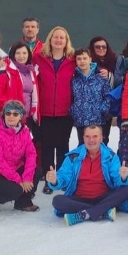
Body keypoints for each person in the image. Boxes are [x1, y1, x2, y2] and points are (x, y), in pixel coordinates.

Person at [46, 124, 128, 225]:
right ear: (83, 138)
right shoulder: (74, 156)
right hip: (79, 199)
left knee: (126, 190)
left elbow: (117, 179)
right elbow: (63, 176)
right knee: (57, 200)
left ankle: (84, 214)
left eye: (95, 136)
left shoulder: (110, 156)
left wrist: (123, 177)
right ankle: (102, 212)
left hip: (103, 197)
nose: (91, 140)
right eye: (88, 136)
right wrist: (55, 180)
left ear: (101, 138)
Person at [32, 26, 77, 190]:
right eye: (55, 37)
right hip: (45, 111)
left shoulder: (73, 60)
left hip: (65, 111)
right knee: (47, 146)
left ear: (66, 41)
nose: (58, 40)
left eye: (62, 38)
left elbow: (88, 67)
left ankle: (62, 179)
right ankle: (49, 180)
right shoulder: (38, 58)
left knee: (63, 145)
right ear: (50, 39)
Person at [0, 100, 39, 214]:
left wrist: (27, 177)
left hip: (13, 168)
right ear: (3, 115)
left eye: (15, 114)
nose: (11, 116)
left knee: (36, 171)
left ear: (21, 116)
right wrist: (18, 180)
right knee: (16, 190)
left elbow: (31, 154)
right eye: (8, 113)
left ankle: (23, 202)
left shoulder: (25, 132)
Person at [70, 47, 113, 145]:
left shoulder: (100, 78)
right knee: (83, 146)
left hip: (98, 120)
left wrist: (102, 109)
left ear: (90, 59)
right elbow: (71, 98)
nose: (82, 61)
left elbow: (108, 96)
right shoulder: (74, 80)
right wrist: (74, 111)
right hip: (81, 120)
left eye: (84, 58)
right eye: (79, 59)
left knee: (99, 147)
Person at [0, 42, 39, 120]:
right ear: (13, 55)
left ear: (28, 55)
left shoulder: (31, 71)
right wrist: (10, 108)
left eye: (24, 53)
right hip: (10, 118)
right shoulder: (3, 71)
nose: (21, 56)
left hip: (28, 117)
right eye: (18, 53)